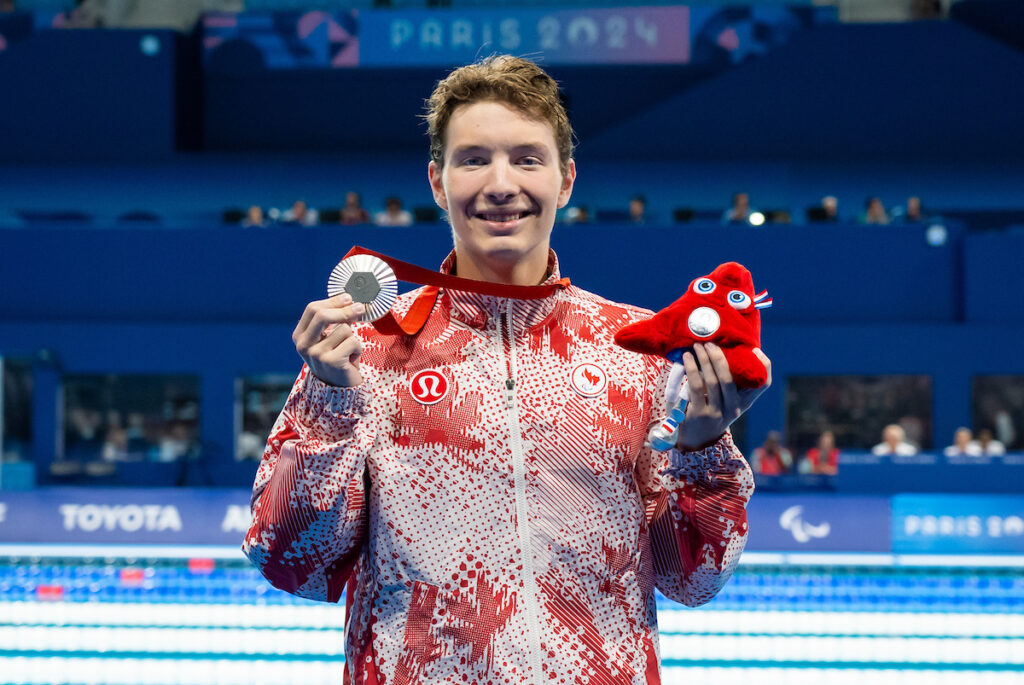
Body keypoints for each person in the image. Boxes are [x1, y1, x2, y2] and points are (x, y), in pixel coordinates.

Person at [242, 55, 771, 684]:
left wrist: (703, 447)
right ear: (437, 182)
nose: (500, 184)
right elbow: (291, 560)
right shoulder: (366, 351)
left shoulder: (634, 351)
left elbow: (693, 577)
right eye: (474, 160)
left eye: (527, 158)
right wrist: (330, 408)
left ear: (566, 179)